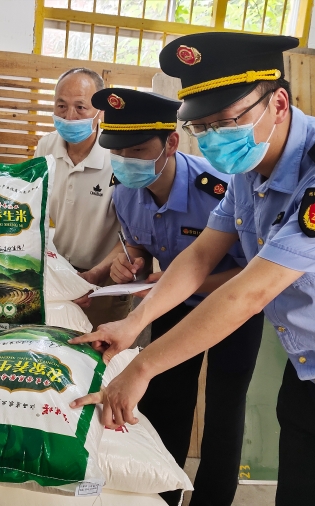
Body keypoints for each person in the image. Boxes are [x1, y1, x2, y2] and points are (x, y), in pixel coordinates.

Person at [70, 32, 315, 506]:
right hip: (312, 369)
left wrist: (142, 367)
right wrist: (133, 323)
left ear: (279, 103)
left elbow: (249, 291)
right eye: (200, 128)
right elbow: (201, 254)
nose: (213, 140)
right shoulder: (251, 174)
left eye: (225, 122)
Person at [85, 87, 264, 506]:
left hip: (233, 311)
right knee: (167, 404)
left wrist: (179, 283)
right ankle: (162, 495)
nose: (127, 160)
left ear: (171, 141)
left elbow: (255, 273)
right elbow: (140, 246)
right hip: (171, 306)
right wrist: (132, 264)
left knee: (224, 410)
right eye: (117, 151)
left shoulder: (222, 190)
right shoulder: (126, 191)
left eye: (138, 149)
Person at [35, 68, 129, 329]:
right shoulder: (45, 148)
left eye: (80, 107)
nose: (69, 116)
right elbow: (33, 208)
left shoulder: (119, 156)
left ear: (101, 112)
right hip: (55, 277)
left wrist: (92, 276)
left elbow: (133, 235)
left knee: (95, 356)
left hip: (104, 283)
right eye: (61, 106)